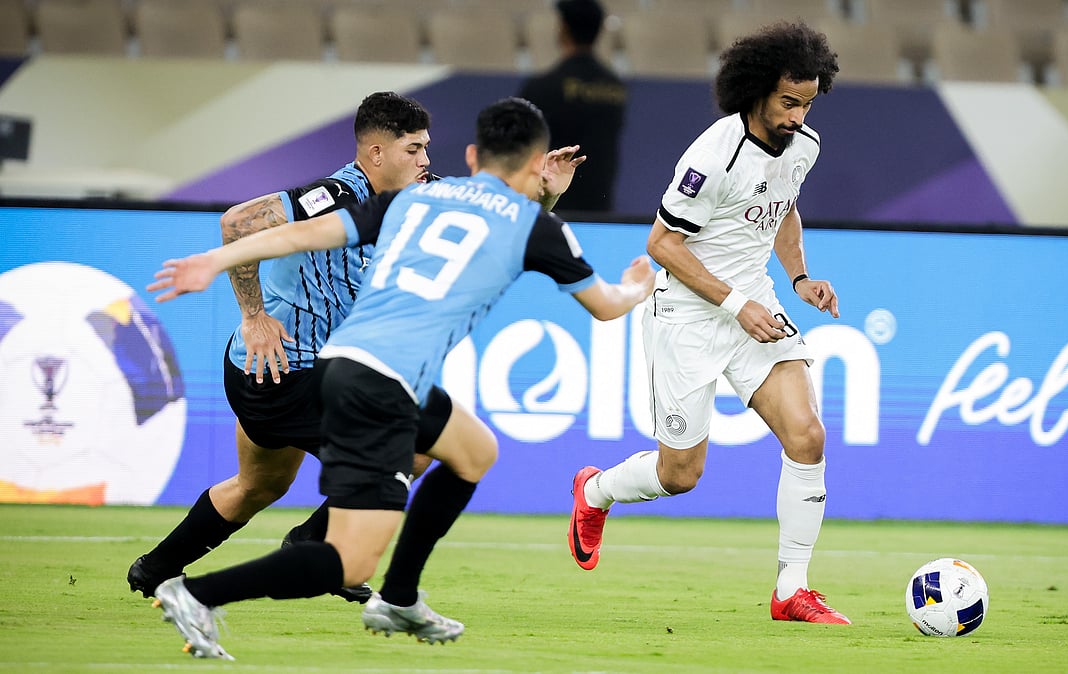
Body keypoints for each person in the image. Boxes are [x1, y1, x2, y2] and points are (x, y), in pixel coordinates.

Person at [144, 97, 655, 659]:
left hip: (350, 366)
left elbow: (299, 237)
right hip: (363, 383)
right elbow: (606, 305)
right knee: (345, 560)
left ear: (470, 154)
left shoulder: (419, 201)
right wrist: (638, 286)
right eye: (415, 148)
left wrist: (212, 263)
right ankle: (197, 594)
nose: (423, 158)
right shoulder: (527, 222)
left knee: (472, 449)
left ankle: (400, 597)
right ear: (536, 162)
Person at [566, 21, 851, 625]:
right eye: (788, 102)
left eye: (807, 102)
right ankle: (594, 492)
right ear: (755, 91)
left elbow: (783, 207)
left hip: (755, 303)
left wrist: (799, 279)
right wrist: (735, 306)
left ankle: (791, 589)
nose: (798, 115)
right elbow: (664, 244)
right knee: (680, 475)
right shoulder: (712, 154)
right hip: (688, 316)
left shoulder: (805, 146)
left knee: (808, 436)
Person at [518, 0, 625, 213]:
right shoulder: (616, 87)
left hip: (552, 203)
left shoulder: (543, 87)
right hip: (600, 206)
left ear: (563, 28)